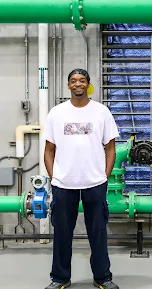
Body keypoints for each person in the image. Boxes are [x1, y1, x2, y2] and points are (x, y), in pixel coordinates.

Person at [42, 69, 120, 289]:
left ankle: (102, 277)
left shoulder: (101, 112)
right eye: (74, 81)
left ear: (88, 84)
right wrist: (54, 176)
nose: (78, 84)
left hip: (94, 184)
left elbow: (111, 148)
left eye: (82, 80)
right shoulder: (56, 113)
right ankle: (60, 278)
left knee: (98, 233)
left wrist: (104, 177)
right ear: (68, 85)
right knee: (62, 233)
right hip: (63, 184)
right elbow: (49, 149)